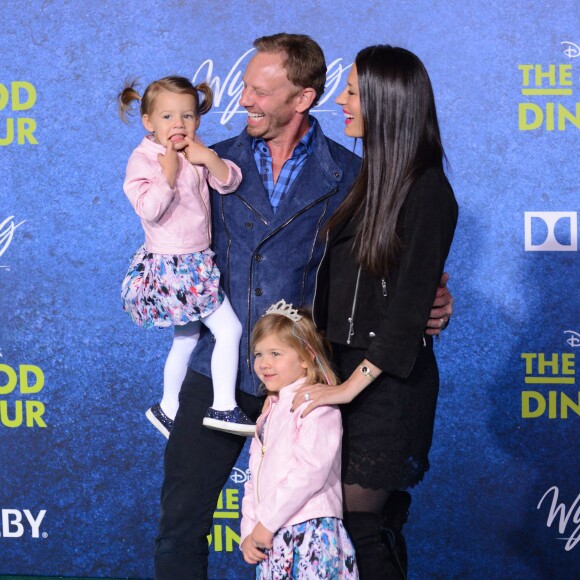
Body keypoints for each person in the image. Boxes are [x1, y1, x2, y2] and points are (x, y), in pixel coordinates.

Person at [154, 34, 454, 579]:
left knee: (329, 530)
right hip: (219, 371)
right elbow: (169, 241)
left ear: (301, 98)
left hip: (306, 384)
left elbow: (388, 268)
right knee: (180, 522)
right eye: (245, 86)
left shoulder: (356, 177)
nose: (242, 99)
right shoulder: (209, 161)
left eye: (260, 91)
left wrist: (430, 296)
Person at [291, 45, 459, 579]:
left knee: (359, 530)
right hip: (344, 370)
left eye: (354, 92)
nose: (340, 100)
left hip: (384, 390)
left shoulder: (428, 190)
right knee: (351, 528)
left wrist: (344, 389)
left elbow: (408, 312)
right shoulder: (369, 179)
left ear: (388, 104)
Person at [119, 76, 253, 438]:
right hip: (176, 266)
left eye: (188, 116)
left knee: (187, 338)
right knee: (230, 329)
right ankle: (224, 405)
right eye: (166, 117)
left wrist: (208, 158)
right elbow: (148, 209)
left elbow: (229, 182)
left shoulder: (194, 150)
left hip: (196, 261)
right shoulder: (145, 160)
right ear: (148, 121)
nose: (178, 124)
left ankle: (167, 408)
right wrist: (167, 175)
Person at [240, 300, 358, 578]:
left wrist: (265, 523)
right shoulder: (268, 411)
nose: (264, 363)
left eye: (275, 353)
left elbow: (310, 470)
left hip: (310, 532)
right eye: (259, 354)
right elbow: (252, 479)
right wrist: (249, 531)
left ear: (306, 357)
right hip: (270, 537)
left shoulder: (315, 402)